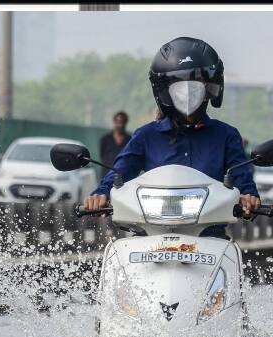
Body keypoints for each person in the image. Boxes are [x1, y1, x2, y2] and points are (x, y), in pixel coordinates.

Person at [84, 36, 261, 233]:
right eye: (178, 82)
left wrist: (248, 198)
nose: (187, 90)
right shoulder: (146, 135)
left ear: (211, 85)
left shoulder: (226, 136)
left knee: (234, 261)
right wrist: (101, 194)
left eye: (196, 81)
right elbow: (120, 172)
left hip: (209, 238)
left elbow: (242, 180)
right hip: (149, 237)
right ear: (163, 90)